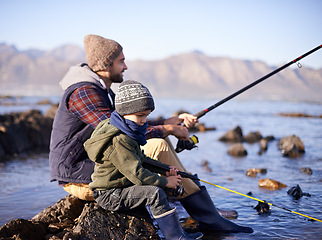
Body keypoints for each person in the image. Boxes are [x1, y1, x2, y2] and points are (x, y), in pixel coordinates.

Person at [49, 34, 253, 233]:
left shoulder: (100, 90)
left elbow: (129, 120)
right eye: (121, 61)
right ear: (105, 65)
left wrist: (167, 122)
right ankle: (208, 217)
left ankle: (206, 213)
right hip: (79, 175)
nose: (126, 67)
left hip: (94, 166)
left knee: (160, 141)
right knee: (160, 144)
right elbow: (119, 128)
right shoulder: (84, 92)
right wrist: (167, 129)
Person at [84, 80, 203, 240]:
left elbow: (141, 159)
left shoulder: (126, 130)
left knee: (158, 188)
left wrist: (165, 169)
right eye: (140, 116)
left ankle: (179, 233)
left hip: (120, 186)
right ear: (125, 112)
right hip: (109, 194)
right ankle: (176, 237)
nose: (143, 120)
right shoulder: (119, 139)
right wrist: (165, 182)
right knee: (155, 193)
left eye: (146, 116)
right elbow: (137, 173)